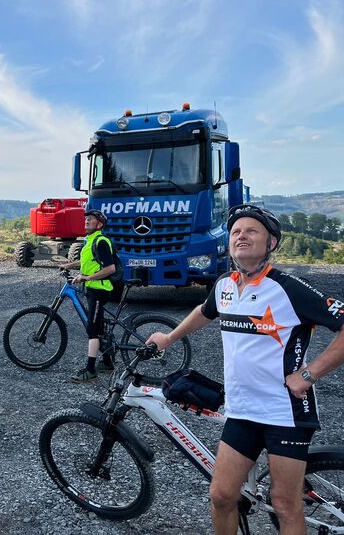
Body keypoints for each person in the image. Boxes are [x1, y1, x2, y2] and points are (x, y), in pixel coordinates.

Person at [147, 205, 344, 535]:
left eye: (252, 231)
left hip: (285, 413)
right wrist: (169, 337)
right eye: (236, 232)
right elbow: (205, 311)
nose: (241, 236)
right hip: (242, 411)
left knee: (285, 503)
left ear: (272, 243)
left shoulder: (289, 288)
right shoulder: (225, 285)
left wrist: (309, 374)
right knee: (222, 495)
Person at [57, 209, 117, 383]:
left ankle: (90, 371)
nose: (86, 221)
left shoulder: (101, 241)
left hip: (100, 289)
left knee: (91, 329)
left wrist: (86, 277)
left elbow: (110, 268)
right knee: (97, 326)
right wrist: (68, 265)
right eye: (86, 219)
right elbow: (86, 262)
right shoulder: (89, 240)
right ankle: (107, 363)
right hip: (92, 289)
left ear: (99, 224)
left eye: (90, 219)